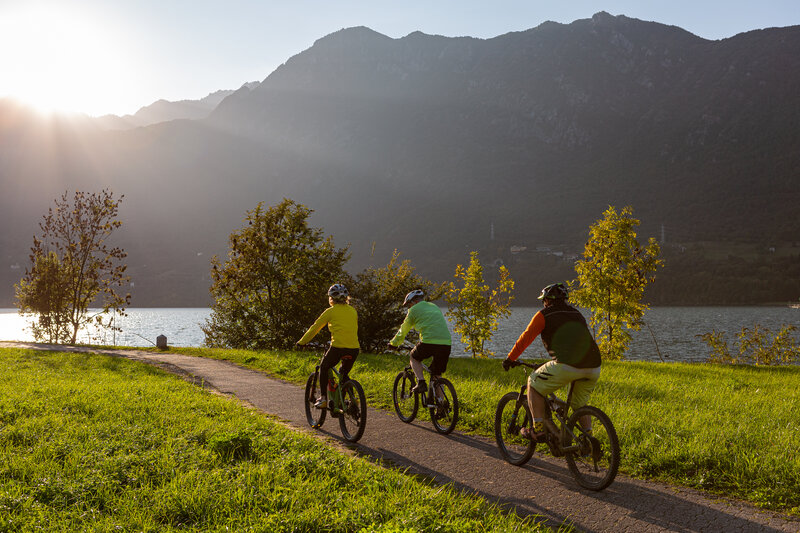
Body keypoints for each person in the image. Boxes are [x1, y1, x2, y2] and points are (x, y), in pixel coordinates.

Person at [502, 282, 601, 441]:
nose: (543, 303)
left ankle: (538, 430)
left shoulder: (544, 315)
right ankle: (587, 440)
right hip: (594, 366)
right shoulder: (577, 314)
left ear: (547, 300)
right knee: (579, 405)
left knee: (533, 383)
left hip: (569, 365)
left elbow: (525, 339)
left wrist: (510, 358)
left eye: (544, 300)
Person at [297, 284, 360, 409]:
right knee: (343, 373)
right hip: (354, 349)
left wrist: (302, 342)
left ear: (331, 298)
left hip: (338, 347)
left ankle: (324, 398)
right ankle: (351, 400)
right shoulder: (353, 310)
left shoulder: (330, 311)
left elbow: (315, 328)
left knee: (324, 367)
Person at [387, 289, 452, 395]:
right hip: (446, 343)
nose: (409, 307)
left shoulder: (413, 310)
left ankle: (421, 382)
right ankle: (441, 405)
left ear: (414, 302)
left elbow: (403, 330)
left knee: (414, 357)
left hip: (429, 342)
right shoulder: (434, 306)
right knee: (437, 375)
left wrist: (394, 344)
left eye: (409, 304)